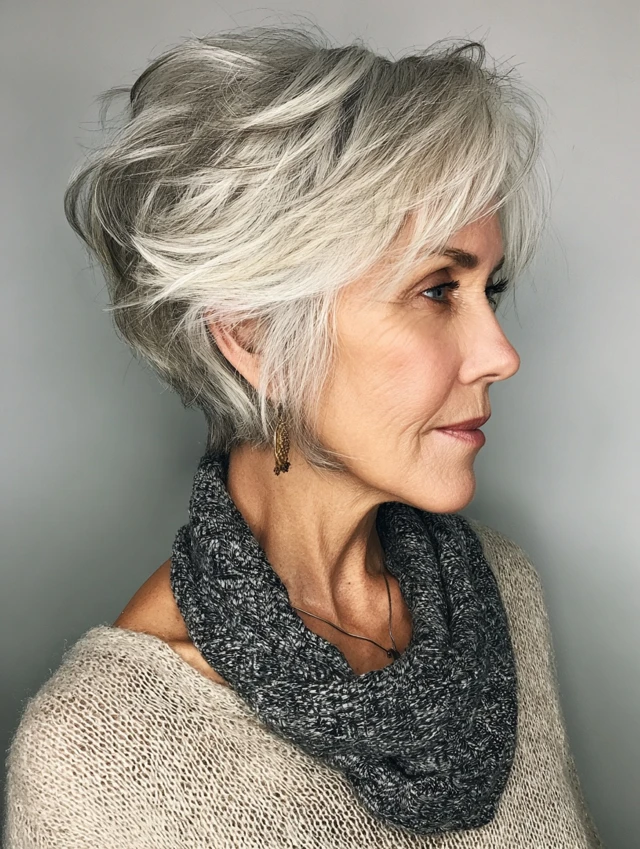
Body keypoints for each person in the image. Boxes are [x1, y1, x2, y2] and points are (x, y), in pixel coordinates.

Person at [4, 24, 605, 848]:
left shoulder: (502, 592)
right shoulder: (97, 755)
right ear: (256, 338)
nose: (501, 354)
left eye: (487, 290)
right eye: (438, 289)